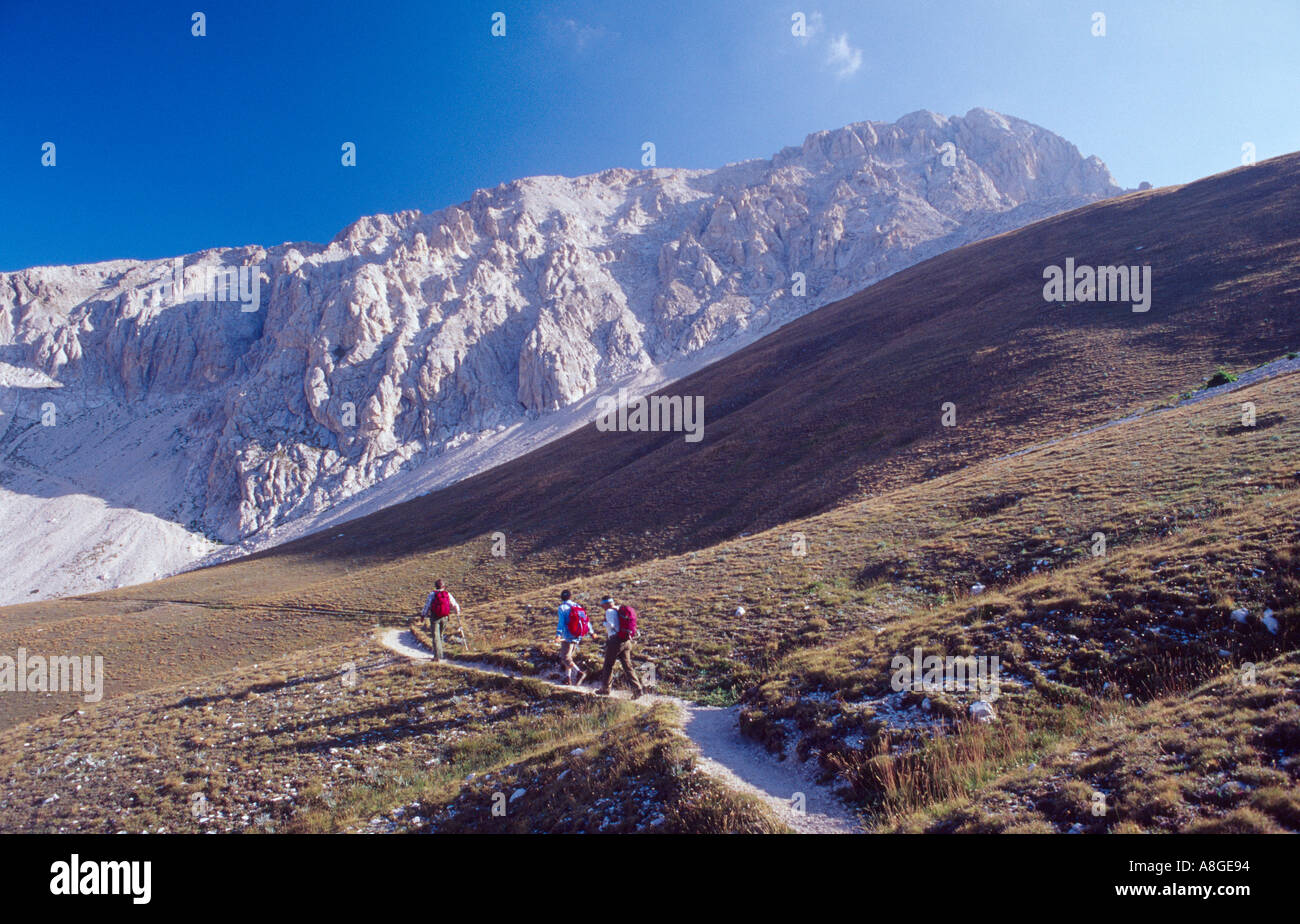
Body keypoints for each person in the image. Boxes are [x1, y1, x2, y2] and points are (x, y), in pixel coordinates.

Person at [597, 596, 644, 698]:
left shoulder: (609, 611)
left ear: (606, 604)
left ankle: (605, 689)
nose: (602, 607)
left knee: (608, 665)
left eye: (603, 605)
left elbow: (611, 625)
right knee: (628, 666)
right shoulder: (619, 609)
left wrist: (604, 622)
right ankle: (637, 689)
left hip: (615, 641)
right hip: (626, 641)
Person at [554, 590, 589, 686]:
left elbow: (561, 623)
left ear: (561, 597)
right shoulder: (577, 606)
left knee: (565, 657)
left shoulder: (562, 607)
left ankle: (579, 673)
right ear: (570, 596)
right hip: (578, 634)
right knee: (569, 658)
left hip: (567, 636)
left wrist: (558, 635)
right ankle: (567, 678)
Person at [420, 579, 460, 661]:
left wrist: (423, 615)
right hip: (444, 617)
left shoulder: (432, 594)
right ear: (443, 586)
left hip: (435, 617)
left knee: (435, 636)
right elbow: (454, 604)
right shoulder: (447, 594)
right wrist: (457, 611)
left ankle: (437, 656)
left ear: (436, 586)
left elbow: (427, 606)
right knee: (440, 635)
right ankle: (441, 654)